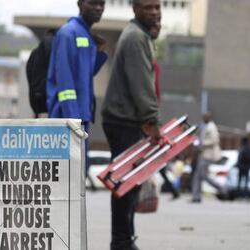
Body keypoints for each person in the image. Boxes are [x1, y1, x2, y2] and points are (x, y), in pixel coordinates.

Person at [101, 0, 161, 249]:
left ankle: (125, 238)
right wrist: (152, 120)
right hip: (124, 120)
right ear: (135, 9)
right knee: (124, 185)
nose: (155, 12)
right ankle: (121, 241)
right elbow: (142, 85)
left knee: (130, 184)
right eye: (148, 7)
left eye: (158, 7)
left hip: (125, 118)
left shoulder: (141, 36)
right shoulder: (136, 37)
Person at [46, 0, 107, 176]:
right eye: (93, 3)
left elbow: (84, 74)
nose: (98, 8)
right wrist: (73, 121)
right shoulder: (68, 33)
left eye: (101, 4)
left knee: (78, 176)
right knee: (68, 179)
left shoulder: (85, 34)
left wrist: (99, 53)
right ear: (80, 4)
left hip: (81, 118)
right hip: (68, 119)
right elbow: (65, 83)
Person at [150, 21, 180, 200]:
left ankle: (170, 190)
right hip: (146, 117)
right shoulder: (143, 51)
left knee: (157, 165)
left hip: (150, 116)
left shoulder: (152, 59)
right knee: (155, 165)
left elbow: (154, 91)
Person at [191, 112, 226, 203]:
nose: (203, 119)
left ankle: (221, 188)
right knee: (198, 176)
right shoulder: (205, 126)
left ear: (209, 118)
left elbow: (214, 140)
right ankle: (196, 196)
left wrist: (201, 143)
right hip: (203, 154)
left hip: (208, 155)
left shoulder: (211, 127)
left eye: (205, 117)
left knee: (202, 175)